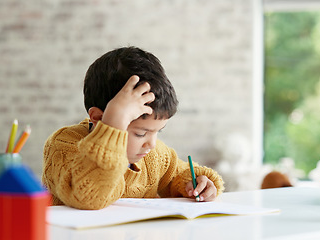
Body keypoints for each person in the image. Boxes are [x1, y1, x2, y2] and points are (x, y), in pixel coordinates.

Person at [42, 46, 224, 210]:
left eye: (157, 132)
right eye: (140, 133)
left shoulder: (154, 156)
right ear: (98, 118)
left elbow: (180, 174)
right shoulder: (64, 146)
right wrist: (113, 125)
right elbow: (89, 197)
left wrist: (197, 184)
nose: (151, 144)